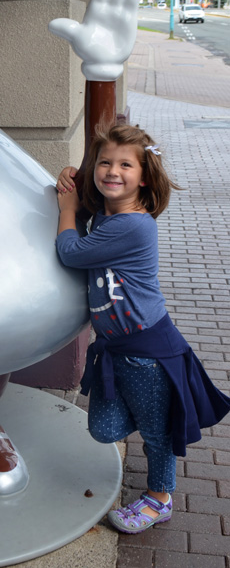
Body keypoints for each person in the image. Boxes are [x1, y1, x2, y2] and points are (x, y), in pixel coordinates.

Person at [55, 122, 230, 534]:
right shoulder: (109, 216)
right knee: (103, 428)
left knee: (155, 435)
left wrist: (66, 208)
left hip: (147, 352)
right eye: (104, 162)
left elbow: (69, 251)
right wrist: (70, 180)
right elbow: (88, 214)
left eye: (125, 165)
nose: (112, 171)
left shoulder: (135, 225)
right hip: (119, 349)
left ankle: (160, 498)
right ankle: (155, 411)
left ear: (144, 176)